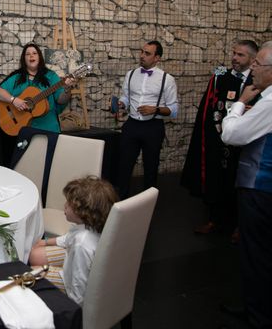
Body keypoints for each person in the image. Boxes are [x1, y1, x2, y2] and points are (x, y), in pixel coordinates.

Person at [181, 40, 258, 236]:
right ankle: (213, 220)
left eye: (240, 55)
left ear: (252, 59)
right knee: (217, 180)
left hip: (246, 142)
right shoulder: (220, 76)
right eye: (233, 53)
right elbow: (208, 108)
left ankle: (240, 226)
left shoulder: (259, 80)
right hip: (219, 139)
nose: (234, 58)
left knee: (240, 183)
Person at [221, 41, 272, 329]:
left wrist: (239, 103)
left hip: (259, 188)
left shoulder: (269, 103)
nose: (252, 68)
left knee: (257, 255)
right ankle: (254, 306)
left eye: (258, 65)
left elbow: (232, 134)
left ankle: (258, 317)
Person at [29, 176, 118, 306]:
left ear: (83, 212)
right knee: (34, 256)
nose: (64, 206)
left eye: (69, 204)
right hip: (73, 261)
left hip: (71, 285)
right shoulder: (92, 226)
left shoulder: (82, 245)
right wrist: (45, 242)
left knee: (29, 276)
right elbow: (68, 238)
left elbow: (78, 290)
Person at [0, 43, 72, 166]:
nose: (31, 56)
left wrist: (67, 89)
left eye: (34, 53)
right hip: (24, 131)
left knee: (47, 165)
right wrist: (14, 100)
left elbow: (61, 100)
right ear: (24, 59)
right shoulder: (17, 77)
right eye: (27, 54)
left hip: (48, 130)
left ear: (39, 57)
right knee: (24, 166)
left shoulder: (51, 76)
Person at [116, 41, 178, 199]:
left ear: (157, 58)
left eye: (147, 53)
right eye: (142, 52)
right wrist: (122, 103)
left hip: (153, 127)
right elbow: (126, 97)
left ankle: (148, 204)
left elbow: (174, 110)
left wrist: (155, 109)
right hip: (132, 125)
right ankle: (120, 203)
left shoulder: (167, 79)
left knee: (151, 167)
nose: (142, 56)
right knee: (123, 165)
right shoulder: (131, 74)